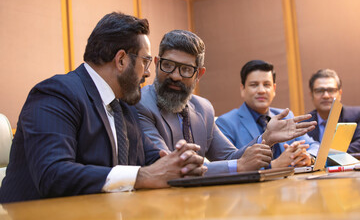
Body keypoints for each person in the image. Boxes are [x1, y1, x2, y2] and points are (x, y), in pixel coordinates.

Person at [0, 12, 207, 204]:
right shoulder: (55, 94)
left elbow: (153, 159)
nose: (147, 73)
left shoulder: (125, 107)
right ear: (121, 60)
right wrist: (143, 176)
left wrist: (180, 162)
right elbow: (53, 174)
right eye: (145, 62)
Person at [136, 30, 317, 175]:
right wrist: (238, 166)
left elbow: (229, 157)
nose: (175, 76)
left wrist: (266, 138)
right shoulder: (141, 103)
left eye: (185, 69)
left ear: (199, 75)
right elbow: (167, 167)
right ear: (157, 63)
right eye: (168, 65)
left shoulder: (203, 108)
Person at [216, 60, 320, 168]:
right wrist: (276, 165)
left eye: (266, 84)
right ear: (243, 89)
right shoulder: (226, 123)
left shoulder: (286, 116)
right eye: (254, 85)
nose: (261, 90)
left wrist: (307, 157)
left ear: (274, 89)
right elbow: (228, 167)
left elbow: (315, 146)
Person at [306, 69, 360, 153]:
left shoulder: (357, 116)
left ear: (340, 93)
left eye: (331, 90)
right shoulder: (305, 123)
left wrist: (325, 155)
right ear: (311, 95)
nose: (326, 96)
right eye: (319, 91)